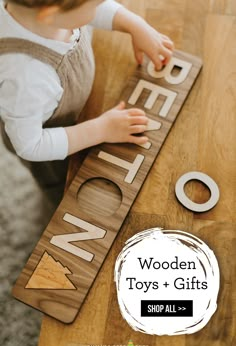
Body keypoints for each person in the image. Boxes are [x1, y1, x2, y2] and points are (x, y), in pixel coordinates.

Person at [0, 0, 174, 204]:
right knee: (67, 188)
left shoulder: (52, 13)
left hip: (76, 104)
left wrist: (133, 24)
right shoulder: (26, 79)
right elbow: (30, 145)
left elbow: (86, 6)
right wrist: (101, 129)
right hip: (55, 145)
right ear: (49, 14)